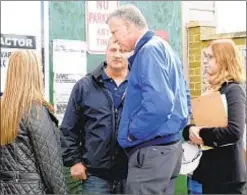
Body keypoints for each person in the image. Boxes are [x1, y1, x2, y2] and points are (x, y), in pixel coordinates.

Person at [107, 4, 189, 194]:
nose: (114, 39)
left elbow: (160, 104)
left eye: (114, 32)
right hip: (168, 149)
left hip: (152, 152)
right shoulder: (164, 47)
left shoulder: (148, 51)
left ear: (128, 26)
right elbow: (184, 94)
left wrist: (133, 133)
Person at [60, 38, 129, 194]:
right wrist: (75, 161)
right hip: (95, 177)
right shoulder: (85, 86)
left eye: (123, 50)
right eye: (113, 50)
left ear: (130, 54)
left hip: (130, 175)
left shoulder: (139, 85)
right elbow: (68, 129)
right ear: (105, 52)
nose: (117, 55)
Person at [183, 39, 246, 194]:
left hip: (228, 178)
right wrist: (190, 130)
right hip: (209, 174)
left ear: (224, 59)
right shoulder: (211, 90)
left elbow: (234, 131)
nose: (205, 61)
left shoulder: (233, 90)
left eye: (210, 57)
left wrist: (201, 134)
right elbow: (198, 125)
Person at [0, 51, 68, 194]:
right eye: (41, 70)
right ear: (34, 74)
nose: (43, 75)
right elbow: (51, 168)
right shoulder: (35, 111)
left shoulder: (3, 109)